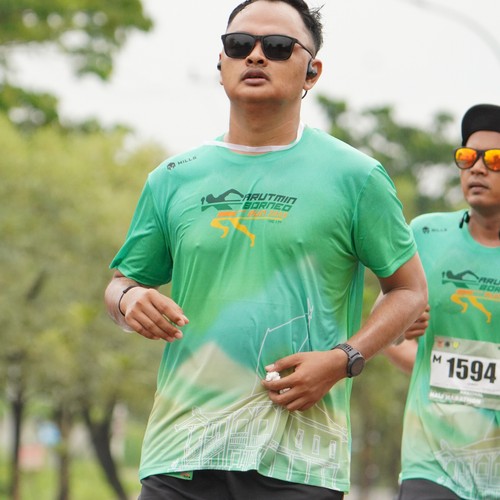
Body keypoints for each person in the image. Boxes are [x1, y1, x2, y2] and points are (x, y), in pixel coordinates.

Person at [104, 0, 427, 498]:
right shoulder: (172, 178)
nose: (255, 56)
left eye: (277, 47)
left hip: (298, 460)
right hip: (181, 450)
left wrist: (343, 359)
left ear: (312, 72)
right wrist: (128, 299)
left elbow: (409, 291)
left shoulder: (356, 177)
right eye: (239, 45)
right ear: (221, 63)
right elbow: (121, 284)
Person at [385, 103, 500, 500]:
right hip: (432, 464)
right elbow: (387, 331)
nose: (478, 169)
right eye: (468, 157)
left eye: (494, 160)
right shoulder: (426, 234)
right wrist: (404, 336)